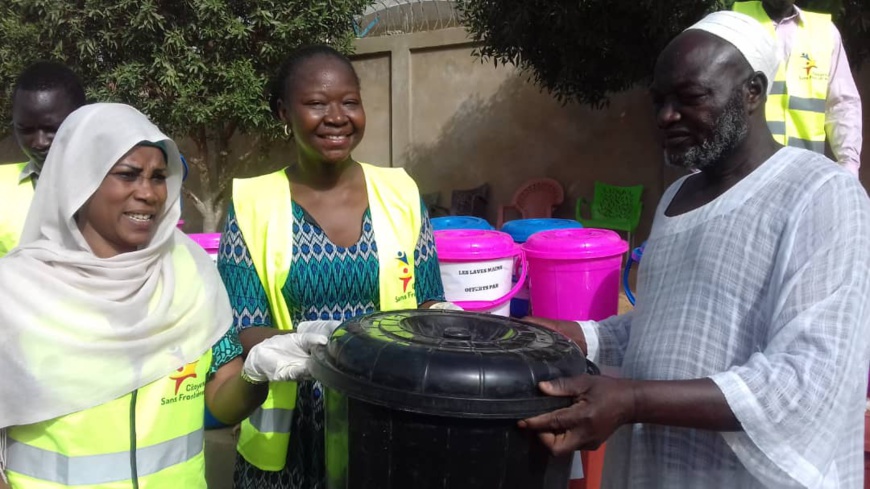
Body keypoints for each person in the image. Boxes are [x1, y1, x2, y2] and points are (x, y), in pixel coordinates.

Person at [520, 11, 870, 488]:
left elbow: (807, 381)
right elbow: (670, 328)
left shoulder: (819, 194)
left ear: (753, 92)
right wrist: (573, 338)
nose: (667, 116)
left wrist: (634, 400)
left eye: (690, 98)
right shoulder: (675, 198)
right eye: (660, 100)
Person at [0, 103, 334, 488]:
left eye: (159, 176)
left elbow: (219, 398)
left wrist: (254, 375)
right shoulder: (16, 292)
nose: (148, 192)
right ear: (79, 181)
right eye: (128, 175)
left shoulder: (190, 273)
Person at [218, 45, 451, 489]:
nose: (337, 116)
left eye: (349, 101)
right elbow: (244, 328)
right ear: (284, 112)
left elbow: (427, 299)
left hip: (385, 417)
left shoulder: (400, 192)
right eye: (316, 103)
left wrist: (445, 318)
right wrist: (317, 343)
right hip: (289, 433)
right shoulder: (253, 204)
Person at [732, 0, 863, 176]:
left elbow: (842, 103)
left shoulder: (824, 32)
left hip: (805, 171)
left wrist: (849, 164)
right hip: (743, 171)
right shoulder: (735, 22)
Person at [0, 61, 86, 256]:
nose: (38, 142)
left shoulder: (121, 183)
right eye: (25, 130)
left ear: (82, 119)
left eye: (51, 129)